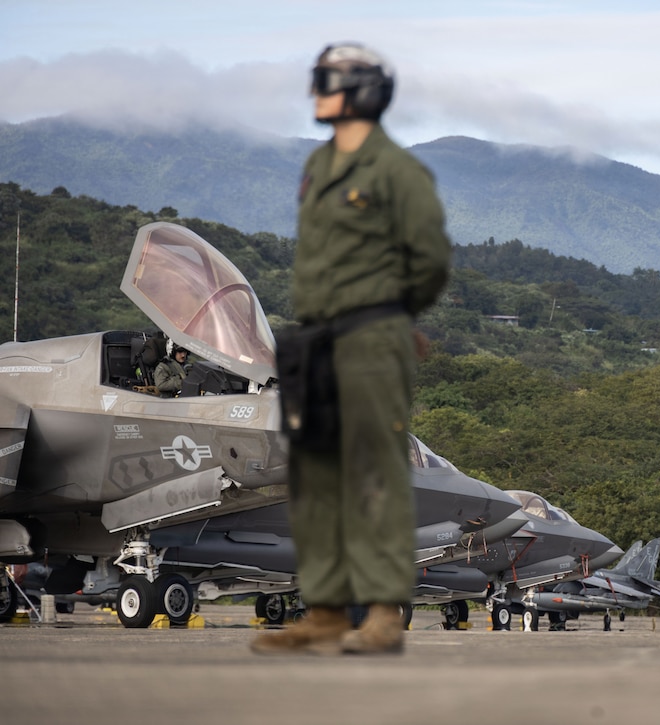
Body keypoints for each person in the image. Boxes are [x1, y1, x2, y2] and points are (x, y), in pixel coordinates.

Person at [251, 42, 450, 656]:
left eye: (327, 81)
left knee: (375, 473)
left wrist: (391, 314)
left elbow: (431, 261)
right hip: (314, 341)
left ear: (362, 89)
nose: (315, 93)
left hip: (371, 338)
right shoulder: (319, 162)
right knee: (313, 474)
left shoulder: (396, 171)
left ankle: (385, 611)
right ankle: (329, 609)